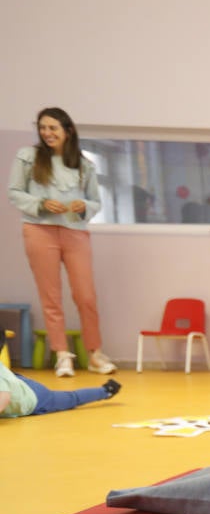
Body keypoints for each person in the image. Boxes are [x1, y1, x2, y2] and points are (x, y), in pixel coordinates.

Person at [7, 107, 117, 377]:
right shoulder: (28, 157)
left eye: (53, 128)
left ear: (67, 131)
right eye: (43, 128)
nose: (47, 133)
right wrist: (41, 203)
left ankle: (95, 353)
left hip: (75, 232)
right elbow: (14, 193)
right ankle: (61, 355)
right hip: (39, 230)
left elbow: (95, 202)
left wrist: (83, 206)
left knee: (85, 295)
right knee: (50, 296)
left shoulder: (83, 164)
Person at [0, 361, 119, 418]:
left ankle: (105, 390)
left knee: (72, 398)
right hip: (20, 384)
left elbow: (4, 398)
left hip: (37, 397)